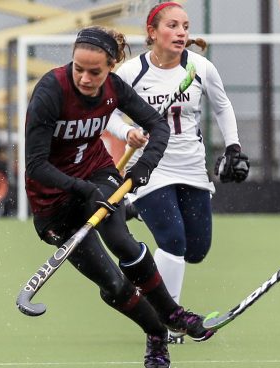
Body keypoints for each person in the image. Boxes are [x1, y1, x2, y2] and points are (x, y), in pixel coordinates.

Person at [24, 26, 215, 368]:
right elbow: (36, 165)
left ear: (111, 67)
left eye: (94, 71)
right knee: (112, 284)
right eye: (78, 68)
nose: (84, 77)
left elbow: (159, 127)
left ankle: (172, 314)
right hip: (53, 200)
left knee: (122, 242)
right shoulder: (51, 91)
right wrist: (82, 191)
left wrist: (142, 170)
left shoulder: (114, 89)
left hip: (98, 173)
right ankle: (156, 330)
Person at [106, 2, 249, 344]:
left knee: (196, 250)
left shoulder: (200, 67)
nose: (182, 32)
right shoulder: (130, 73)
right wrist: (127, 132)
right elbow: (106, 111)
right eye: (172, 25)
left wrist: (233, 147)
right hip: (151, 168)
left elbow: (222, 106)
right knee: (173, 241)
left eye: (185, 26)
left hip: (191, 166)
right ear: (152, 33)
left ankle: (137, 209)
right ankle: (167, 318)